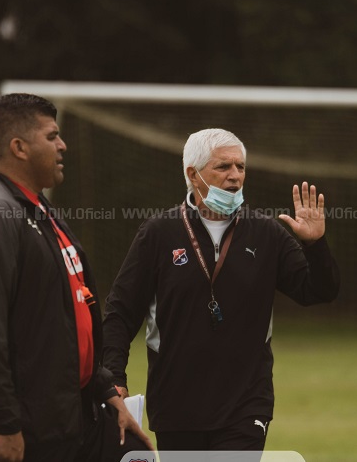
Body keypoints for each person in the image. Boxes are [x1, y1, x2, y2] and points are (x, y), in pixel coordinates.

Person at [0, 93, 153, 462]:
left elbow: (67, 316)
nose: (62, 145)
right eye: (52, 136)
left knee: (134, 455)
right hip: (24, 428)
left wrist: (106, 391)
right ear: (19, 147)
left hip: (70, 415)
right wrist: (4, 425)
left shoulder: (36, 208)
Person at [103, 128, 340, 453]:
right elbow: (120, 313)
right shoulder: (159, 233)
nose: (235, 176)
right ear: (193, 173)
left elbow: (317, 291)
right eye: (223, 167)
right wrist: (115, 375)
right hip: (176, 403)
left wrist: (315, 245)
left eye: (240, 167)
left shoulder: (266, 232)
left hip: (246, 403)